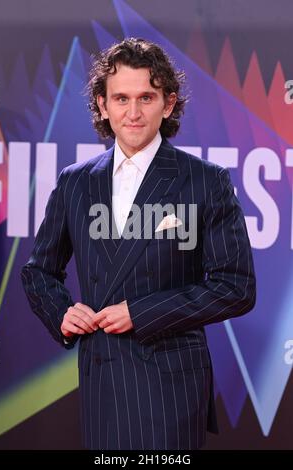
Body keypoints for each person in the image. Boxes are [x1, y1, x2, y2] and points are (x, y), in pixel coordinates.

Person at [21, 37, 256, 450]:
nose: (133, 112)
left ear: (167, 104)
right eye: (121, 98)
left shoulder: (204, 180)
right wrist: (62, 312)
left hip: (170, 383)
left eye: (146, 97)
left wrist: (140, 313)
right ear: (101, 105)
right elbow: (39, 271)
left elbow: (235, 287)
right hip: (101, 381)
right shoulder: (76, 181)